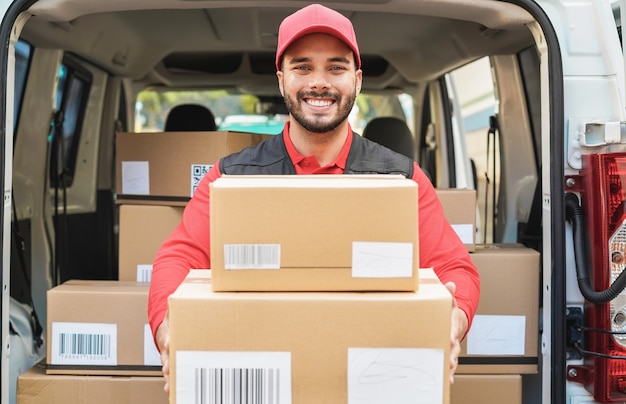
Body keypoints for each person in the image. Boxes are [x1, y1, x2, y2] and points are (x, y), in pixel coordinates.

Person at [148, 3, 480, 393]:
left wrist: (453, 319)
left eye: (335, 68)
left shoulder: (401, 178)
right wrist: (168, 327)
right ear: (281, 78)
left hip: (367, 377)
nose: (318, 82)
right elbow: (179, 257)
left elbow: (454, 268)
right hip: (260, 372)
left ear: (357, 79)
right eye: (302, 67)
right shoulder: (231, 177)